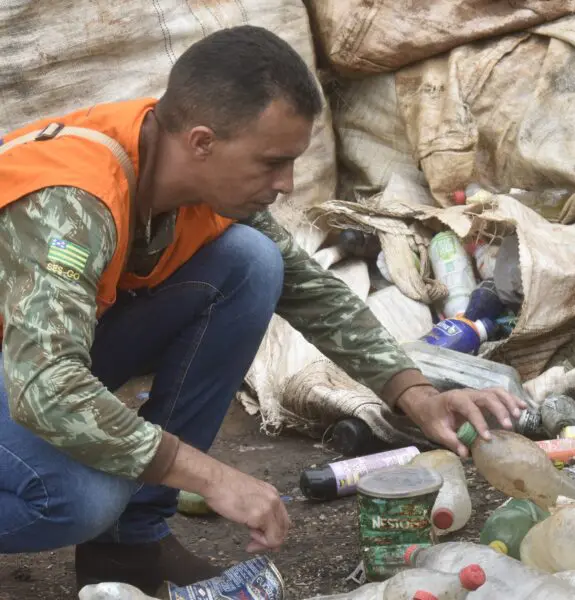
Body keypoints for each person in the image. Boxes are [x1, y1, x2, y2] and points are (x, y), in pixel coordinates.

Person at [0, 25, 525, 594]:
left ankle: (131, 545)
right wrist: (209, 475)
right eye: (273, 162)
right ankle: (111, 519)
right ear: (202, 142)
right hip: (29, 374)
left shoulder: (187, 171)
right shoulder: (71, 203)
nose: (287, 183)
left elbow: (310, 290)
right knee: (81, 498)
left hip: (26, 363)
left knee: (252, 264)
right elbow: (47, 387)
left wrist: (417, 395)